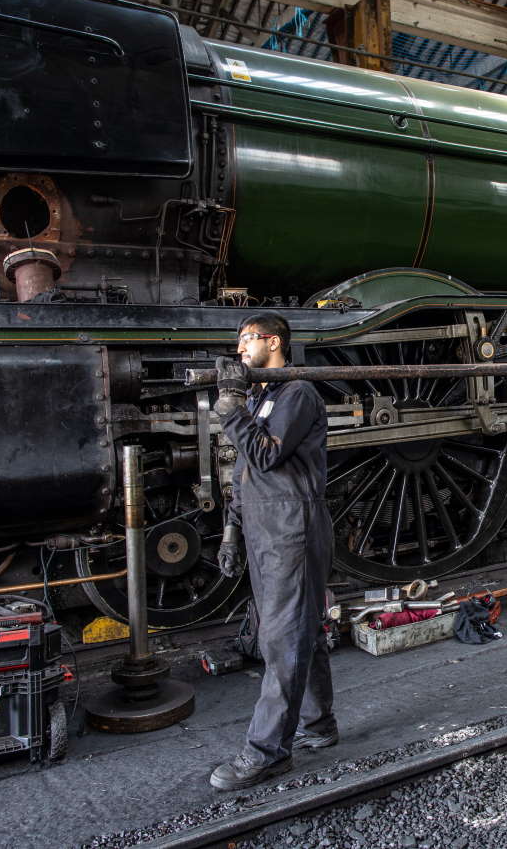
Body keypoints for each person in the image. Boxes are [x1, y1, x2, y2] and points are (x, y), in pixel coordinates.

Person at [209, 312, 338, 791]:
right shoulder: (263, 398)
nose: (240, 349)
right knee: (299, 629)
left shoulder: (297, 393)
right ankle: (318, 724)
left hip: (293, 529)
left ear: (274, 341)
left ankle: (267, 752)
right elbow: (246, 474)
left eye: (247, 339)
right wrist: (231, 531)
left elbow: (266, 454)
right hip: (265, 529)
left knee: (284, 637)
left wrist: (229, 408)